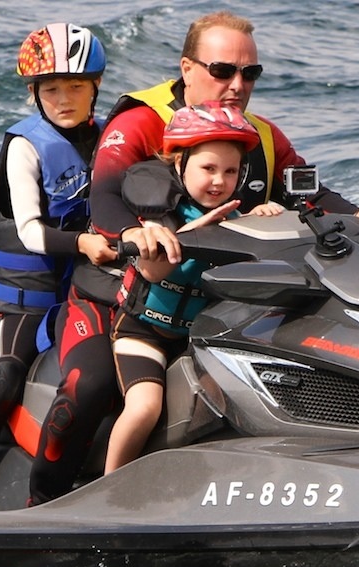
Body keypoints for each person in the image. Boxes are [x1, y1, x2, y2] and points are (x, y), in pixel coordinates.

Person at [27, 11, 359, 504]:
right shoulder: (143, 120)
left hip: (213, 303)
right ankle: (44, 506)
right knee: (90, 386)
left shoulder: (261, 136)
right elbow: (106, 196)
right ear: (187, 69)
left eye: (250, 73)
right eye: (223, 71)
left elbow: (311, 196)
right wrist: (138, 233)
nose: (238, 85)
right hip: (117, 295)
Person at [0, 23, 117, 510]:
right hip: (29, 304)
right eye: (51, 89)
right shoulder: (25, 145)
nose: (64, 99)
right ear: (34, 93)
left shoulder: (112, 139)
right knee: (2, 384)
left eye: (75, 87)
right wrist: (83, 242)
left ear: (96, 86)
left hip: (93, 293)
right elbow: (30, 231)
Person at [106, 102, 279, 472]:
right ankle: (109, 486)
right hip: (144, 331)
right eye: (208, 169)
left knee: (233, 407)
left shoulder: (235, 219)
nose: (219, 181)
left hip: (197, 340)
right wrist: (192, 233)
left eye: (230, 171)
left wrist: (261, 225)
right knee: (144, 407)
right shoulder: (160, 215)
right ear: (180, 164)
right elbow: (152, 272)